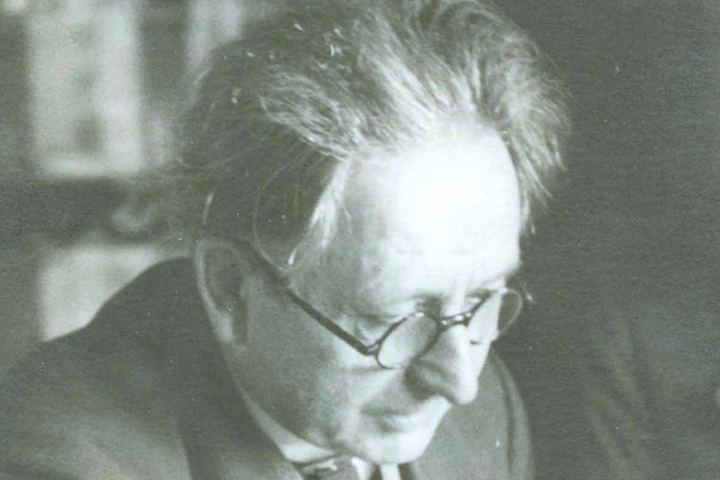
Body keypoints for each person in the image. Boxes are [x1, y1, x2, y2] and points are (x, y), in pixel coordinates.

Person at [0, 0, 570, 478]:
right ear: (230, 289)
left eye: (481, 298)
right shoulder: (59, 461)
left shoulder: (483, 412)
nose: (460, 382)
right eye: (393, 318)